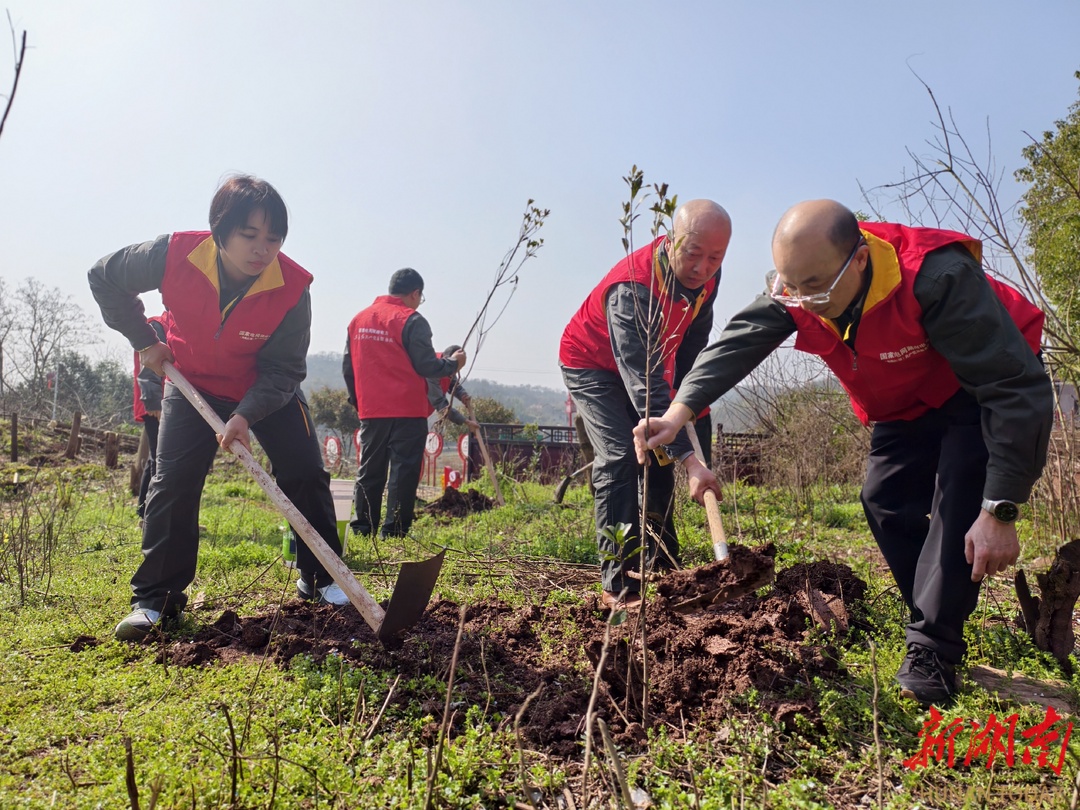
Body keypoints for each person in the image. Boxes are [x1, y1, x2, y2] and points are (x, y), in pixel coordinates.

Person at [634, 199, 1053, 706]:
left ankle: (933, 651)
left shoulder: (936, 277)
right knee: (884, 499)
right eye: (791, 286)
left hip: (978, 387)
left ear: (859, 260)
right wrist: (677, 414)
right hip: (906, 397)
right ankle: (931, 613)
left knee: (958, 493)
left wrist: (1000, 508)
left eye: (814, 287)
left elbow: (1015, 389)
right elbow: (737, 344)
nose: (802, 301)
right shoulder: (798, 285)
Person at [89, 174, 350, 641]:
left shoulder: (293, 285)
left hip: (267, 389)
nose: (262, 250)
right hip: (192, 382)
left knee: (305, 472)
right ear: (219, 230)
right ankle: (156, 602)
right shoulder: (174, 254)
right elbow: (104, 276)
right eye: (249, 235)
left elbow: (285, 369)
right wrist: (144, 340)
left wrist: (246, 414)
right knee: (173, 483)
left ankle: (322, 578)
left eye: (274, 238)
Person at [559, 199, 730, 609]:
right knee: (620, 456)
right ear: (671, 241)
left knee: (660, 456)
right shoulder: (632, 291)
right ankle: (619, 584)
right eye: (693, 253)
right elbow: (646, 387)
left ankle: (662, 562)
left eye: (715, 257)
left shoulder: (708, 277)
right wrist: (691, 461)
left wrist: (691, 408)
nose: (702, 267)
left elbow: (692, 351)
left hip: (650, 369)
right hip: (591, 364)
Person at [343, 269, 466, 538]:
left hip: (372, 410)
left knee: (370, 470)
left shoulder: (359, 319)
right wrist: (453, 364)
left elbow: (348, 368)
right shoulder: (412, 320)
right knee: (403, 472)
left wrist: (359, 403)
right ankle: (394, 531)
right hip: (408, 410)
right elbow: (427, 366)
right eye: (420, 298)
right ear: (415, 293)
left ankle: (363, 528)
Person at [133, 315, 167, 522]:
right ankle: (153, 517)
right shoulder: (158, 326)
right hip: (157, 404)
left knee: (156, 458)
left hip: (162, 402)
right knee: (160, 460)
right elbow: (148, 367)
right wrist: (155, 403)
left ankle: (144, 512)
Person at [427, 344, 479, 434]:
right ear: (448, 361)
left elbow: (453, 385)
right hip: (410, 413)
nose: (454, 373)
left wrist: (462, 395)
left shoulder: (449, 368)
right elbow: (441, 404)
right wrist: (465, 421)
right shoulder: (432, 369)